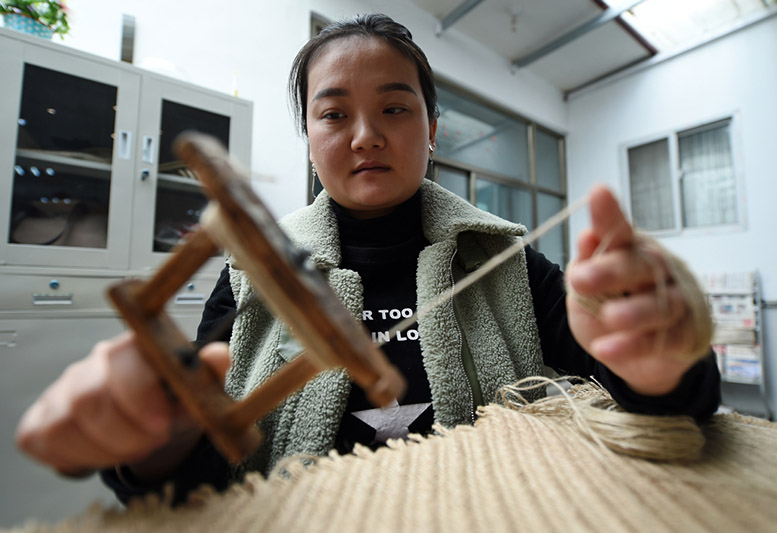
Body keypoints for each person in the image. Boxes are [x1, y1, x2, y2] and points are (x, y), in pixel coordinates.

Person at [16, 13, 720, 504]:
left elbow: (659, 398)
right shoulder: (250, 273)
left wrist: (662, 360)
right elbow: (197, 475)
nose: (364, 137)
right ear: (309, 137)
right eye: (333, 114)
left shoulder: (505, 262)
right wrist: (155, 446)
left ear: (433, 130)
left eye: (395, 109)